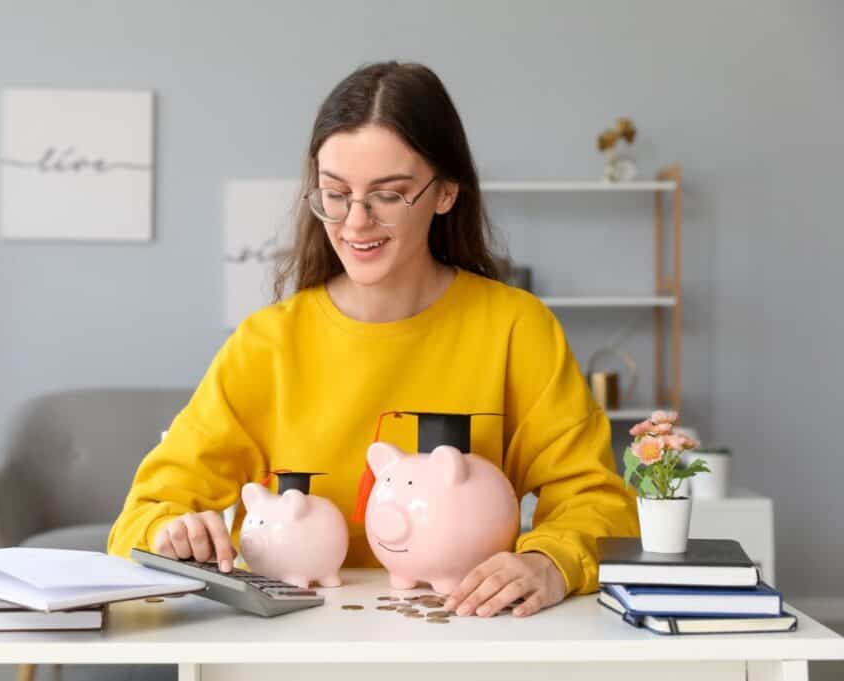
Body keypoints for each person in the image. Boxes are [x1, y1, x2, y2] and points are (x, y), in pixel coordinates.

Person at [108, 60, 639, 618]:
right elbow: (142, 517)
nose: (355, 223)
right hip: (293, 648)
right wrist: (172, 535)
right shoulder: (267, 344)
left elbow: (596, 501)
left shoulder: (516, 328)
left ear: (446, 192)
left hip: (465, 639)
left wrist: (551, 562)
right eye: (335, 194)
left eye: (388, 194)